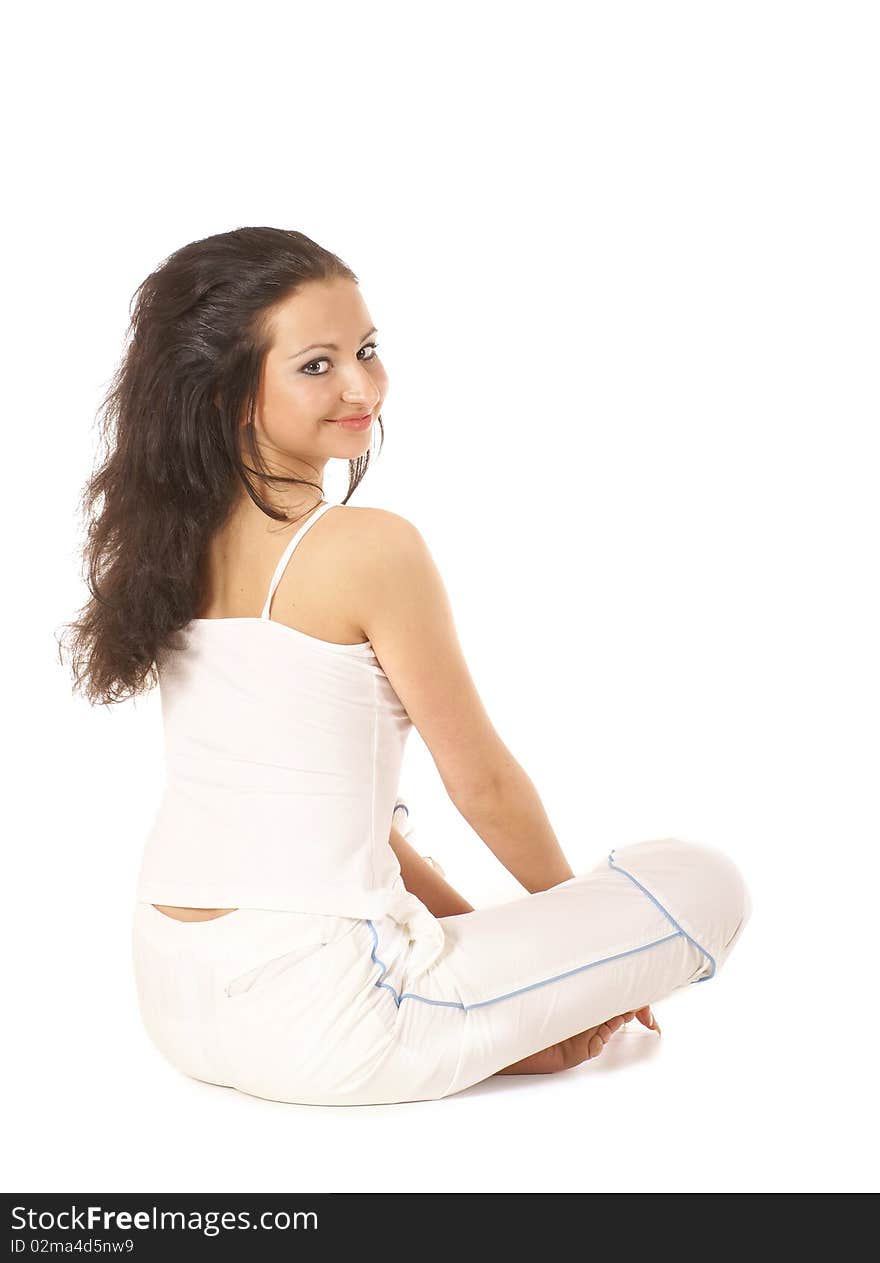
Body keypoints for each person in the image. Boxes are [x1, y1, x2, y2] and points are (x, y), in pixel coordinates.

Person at [60, 227, 751, 1106]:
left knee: (466, 939)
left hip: (173, 999)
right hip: (331, 1013)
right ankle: (479, 1022)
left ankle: (487, 1018)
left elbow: (353, 829)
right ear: (232, 393)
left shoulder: (165, 554)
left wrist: (532, 962)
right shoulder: (366, 547)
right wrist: (589, 947)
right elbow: (486, 785)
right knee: (701, 878)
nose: (362, 386)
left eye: (368, 350)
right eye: (317, 364)